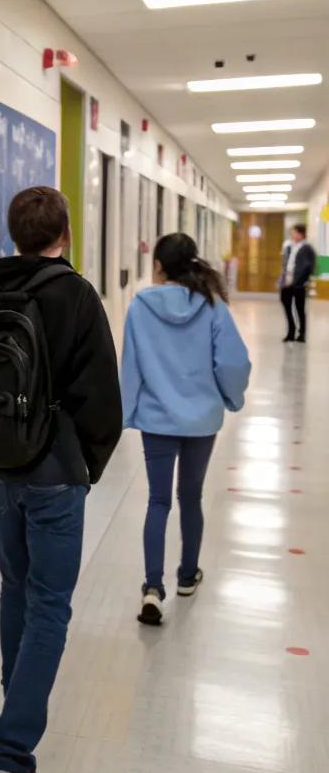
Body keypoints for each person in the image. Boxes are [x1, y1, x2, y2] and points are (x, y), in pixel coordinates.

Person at [0, 187, 122, 773]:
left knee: (15, 588)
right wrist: (89, 463)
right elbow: (102, 396)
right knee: (50, 607)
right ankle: (11, 759)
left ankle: (13, 708)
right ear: (64, 234)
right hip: (55, 475)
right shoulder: (76, 295)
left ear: (15, 234)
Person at [121, 232, 250, 626]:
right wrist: (231, 399)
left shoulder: (140, 306)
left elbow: (131, 365)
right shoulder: (212, 306)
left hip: (157, 419)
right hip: (201, 420)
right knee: (190, 496)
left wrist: (125, 413)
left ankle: (152, 588)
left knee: (158, 501)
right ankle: (188, 575)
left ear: (158, 266)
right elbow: (233, 362)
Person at [280, 223, 315, 343]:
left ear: (300, 234)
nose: (292, 235)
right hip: (288, 281)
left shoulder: (307, 248)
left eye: (294, 232)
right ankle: (291, 331)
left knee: (299, 309)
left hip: (298, 284)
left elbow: (308, 267)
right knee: (286, 305)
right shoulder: (292, 246)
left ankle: (302, 334)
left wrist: (299, 281)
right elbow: (287, 263)